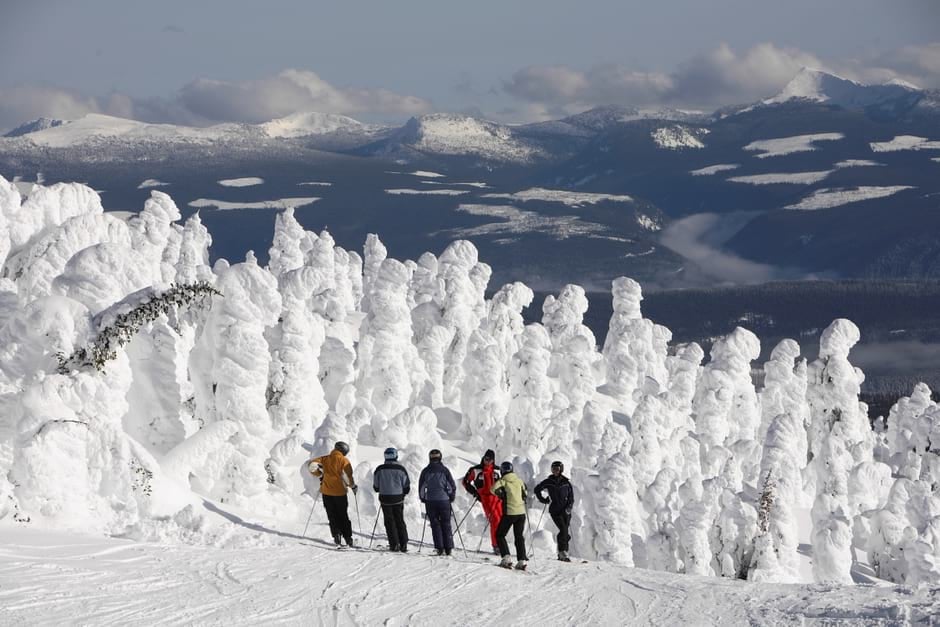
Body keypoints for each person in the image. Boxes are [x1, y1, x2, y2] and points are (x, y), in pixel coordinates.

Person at [308, 441, 358, 547]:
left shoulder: (324, 459)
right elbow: (348, 478)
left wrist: (319, 473)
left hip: (326, 493)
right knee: (343, 515)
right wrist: (353, 486)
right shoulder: (344, 460)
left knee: (332, 515)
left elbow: (312, 466)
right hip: (340, 493)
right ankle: (348, 538)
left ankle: (336, 536)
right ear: (344, 451)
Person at [462, 449, 502, 554]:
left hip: (498, 499)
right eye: (486, 459)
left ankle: (501, 543)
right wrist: (475, 493)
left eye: (490, 460)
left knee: (501, 520)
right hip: (485, 498)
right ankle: (496, 545)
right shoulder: (476, 470)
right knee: (495, 520)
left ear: (493, 460)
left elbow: (505, 482)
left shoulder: (497, 470)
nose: (487, 461)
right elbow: (465, 482)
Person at [490, 461, 528, 570]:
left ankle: (506, 558)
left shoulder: (503, 481)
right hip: (521, 513)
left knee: (500, 535)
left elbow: (492, 489)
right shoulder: (519, 480)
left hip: (510, 513)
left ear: (502, 471)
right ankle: (522, 560)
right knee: (519, 536)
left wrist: (501, 495)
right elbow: (525, 493)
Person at [535, 460, 575, 562]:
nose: (555, 471)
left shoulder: (566, 483)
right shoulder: (549, 481)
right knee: (563, 530)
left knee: (564, 532)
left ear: (561, 469)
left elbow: (571, 497)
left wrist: (569, 507)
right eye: (553, 469)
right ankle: (562, 552)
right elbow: (537, 489)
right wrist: (543, 499)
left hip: (566, 511)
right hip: (555, 510)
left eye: (557, 469)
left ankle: (563, 552)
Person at [419, 448, 457, 556]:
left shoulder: (425, 471)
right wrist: (451, 496)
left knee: (435, 524)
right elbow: (451, 486)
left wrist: (423, 498)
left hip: (431, 501)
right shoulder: (445, 470)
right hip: (444, 500)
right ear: (440, 457)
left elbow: (422, 487)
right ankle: (448, 547)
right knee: (446, 523)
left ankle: (439, 548)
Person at [373, 447, 411, 552]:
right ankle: (403, 544)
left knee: (389, 521)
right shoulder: (401, 469)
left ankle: (394, 544)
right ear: (396, 456)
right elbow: (407, 486)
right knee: (399, 520)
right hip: (398, 498)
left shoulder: (379, 469)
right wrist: (403, 492)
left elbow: (376, 487)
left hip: (385, 498)